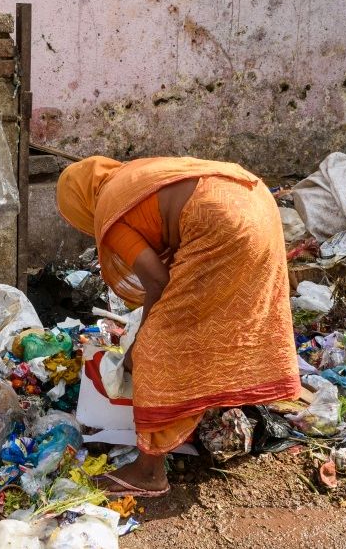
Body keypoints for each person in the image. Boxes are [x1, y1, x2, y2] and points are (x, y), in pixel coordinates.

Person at [56, 156, 300, 496]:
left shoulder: (111, 208)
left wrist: (140, 345)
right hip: (258, 202)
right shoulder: (134, 179)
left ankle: (148, 472)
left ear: (82, 202)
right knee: (216, 320)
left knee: (160, 345)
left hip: (221, 222)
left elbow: (157, 281)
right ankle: (204, 412)